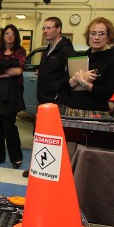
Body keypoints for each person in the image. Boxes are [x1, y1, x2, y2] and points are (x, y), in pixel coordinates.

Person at [22, 17, 77, 178]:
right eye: (44, 28)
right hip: (43, 100)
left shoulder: (66, 49)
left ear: (58, 29)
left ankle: (54, 171)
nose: (45, 31)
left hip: (56, 101)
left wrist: (58, 84)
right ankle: (36, 167)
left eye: (49, 28)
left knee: (53, 138)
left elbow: (74, 72)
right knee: (39, 135)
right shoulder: (48, 49)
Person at [0, 24, 26, 169]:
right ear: (3, 36)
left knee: (9, 127)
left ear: (16, 36)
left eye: (12, 33)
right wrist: (7, 72)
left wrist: (0, 71)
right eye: (7, 33)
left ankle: (16, 158)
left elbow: (18, 71)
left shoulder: (20, 51)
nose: (9, 36)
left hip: (12, 93)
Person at [66, 17, 114, 117]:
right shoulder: (79, 58)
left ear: (108, 37)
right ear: (88, 36)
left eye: (101, 34)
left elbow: (107, 93)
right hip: (72, 111)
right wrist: (76, 79)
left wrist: (83, 82)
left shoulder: (112, 61)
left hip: (96, 114)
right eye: (93, 33)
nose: (96, 37)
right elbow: (65, 86)